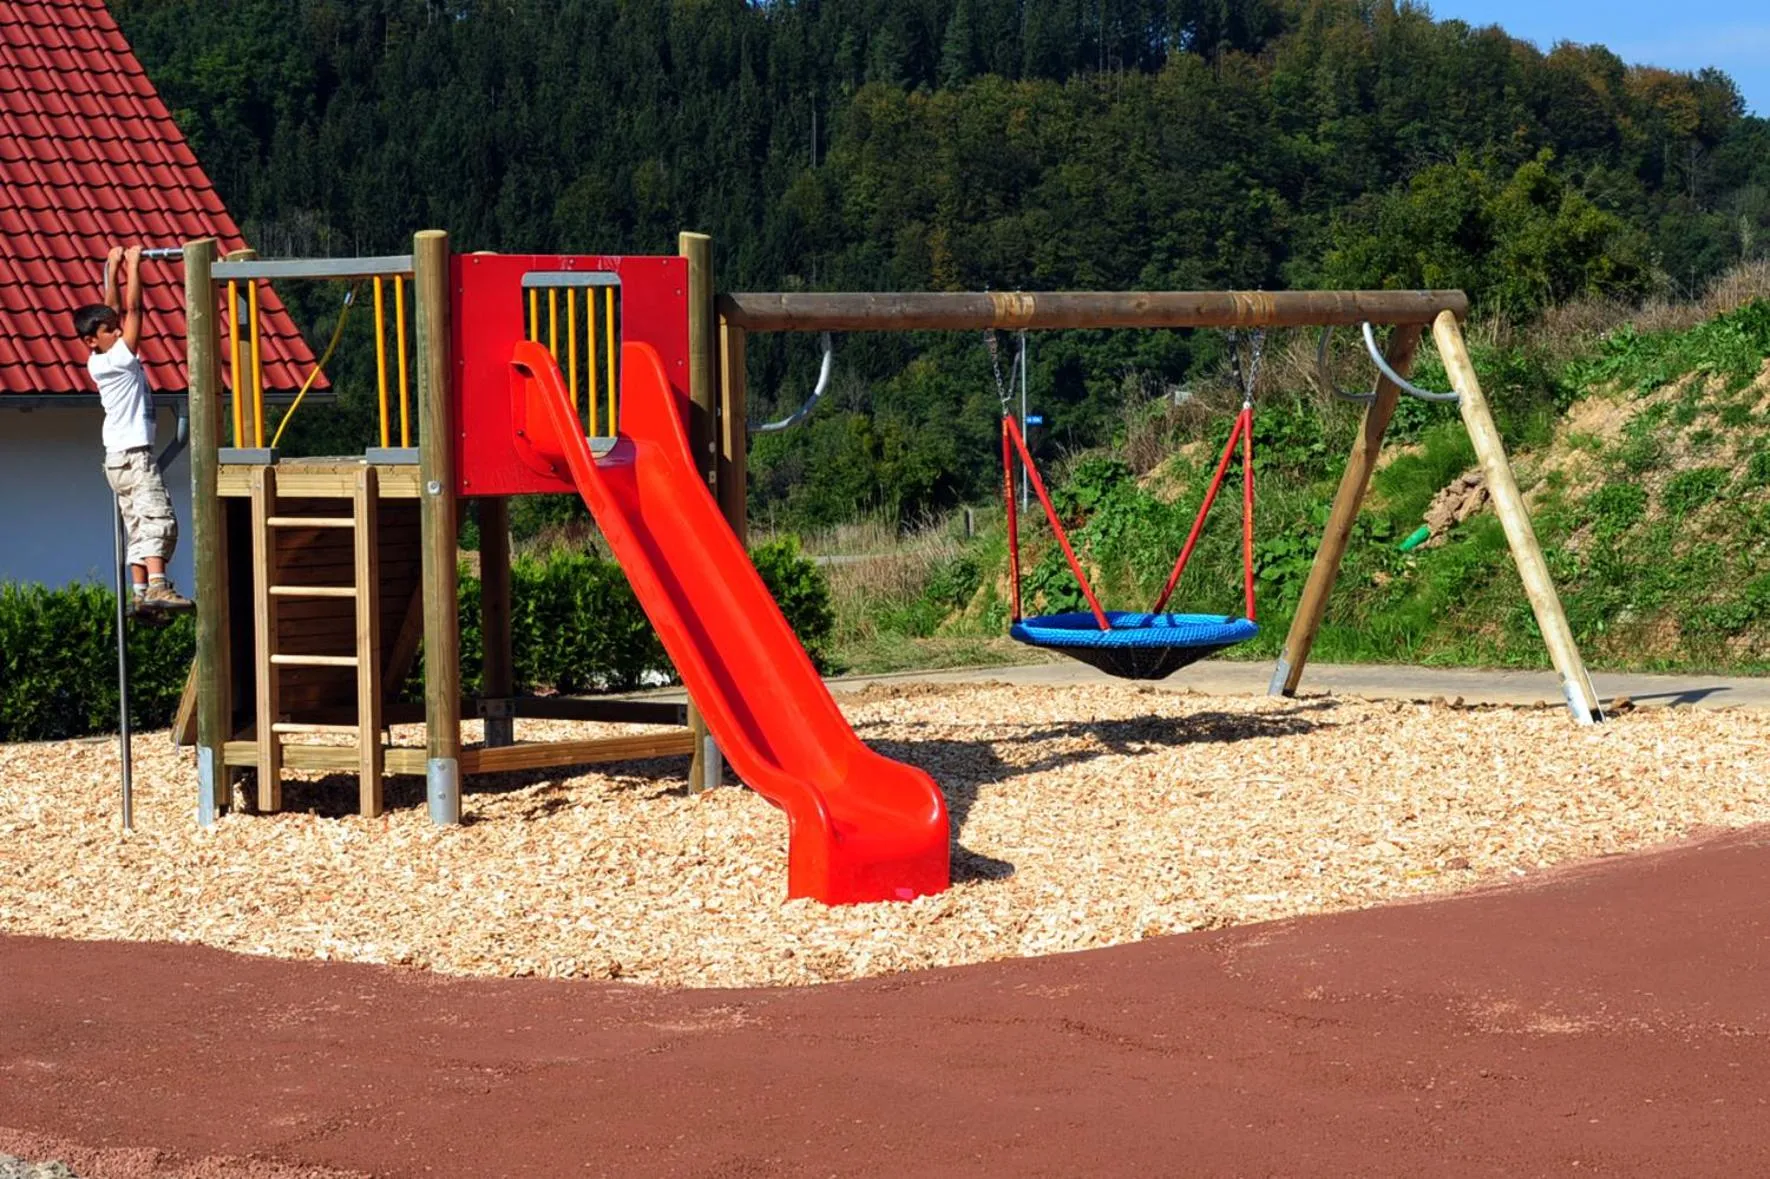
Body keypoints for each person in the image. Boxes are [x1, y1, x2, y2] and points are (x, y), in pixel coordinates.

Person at [72, 245, 191, 611]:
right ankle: (157, 585)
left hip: (116, 460)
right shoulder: (122, 359)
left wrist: (112, 269)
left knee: (136, 521)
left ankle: (140, 593)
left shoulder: (97, 362)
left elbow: (112, 311)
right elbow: (135, 310)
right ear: (93, 340)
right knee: (158, 516)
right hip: (135, 457)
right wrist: (135, 267)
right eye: (110, 330)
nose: (119, 328)